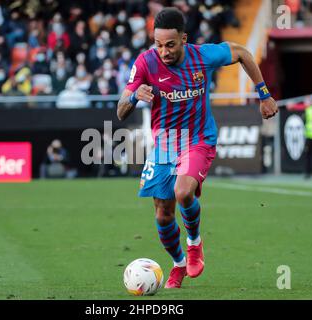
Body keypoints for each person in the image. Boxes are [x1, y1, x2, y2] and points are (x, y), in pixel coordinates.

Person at [116, 8, 278, 289]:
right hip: (165, 144)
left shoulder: (202, 56)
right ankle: (178, 265)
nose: (164, 52)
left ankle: (194, 243)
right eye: (159, 45)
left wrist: (263, 94)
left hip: (199, 138)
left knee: (182, 191)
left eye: (170, 45)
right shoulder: (145, 63)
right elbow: (120, 112)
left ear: (183, 39)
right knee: (162, 214)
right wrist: (133, 96)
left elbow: (242, 53)